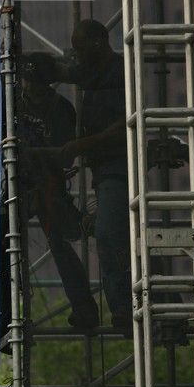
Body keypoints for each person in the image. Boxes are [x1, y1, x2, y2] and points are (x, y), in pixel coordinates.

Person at [27, 20, 132, 330]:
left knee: (110, 234)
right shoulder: (91, 71)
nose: (75, 53)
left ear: (99, 43)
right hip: (101, 169)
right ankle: (95, 309)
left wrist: (79, 145)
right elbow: (55, 69)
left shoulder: (119, 72)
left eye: (80, 46)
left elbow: (125, 127)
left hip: (118, 166)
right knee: (101, 234)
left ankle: (124, 307)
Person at [19, 60, 99, 329]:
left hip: (46, 185)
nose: (29, 87)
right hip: (18, 183)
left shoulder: (60, 109)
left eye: (34, 81)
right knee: (2, 241)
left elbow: (65, 155)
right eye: (27, 81)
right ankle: (5, 314)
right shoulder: (14, 104)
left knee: (61, 242)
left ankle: (84, 309)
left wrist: (42, 160)